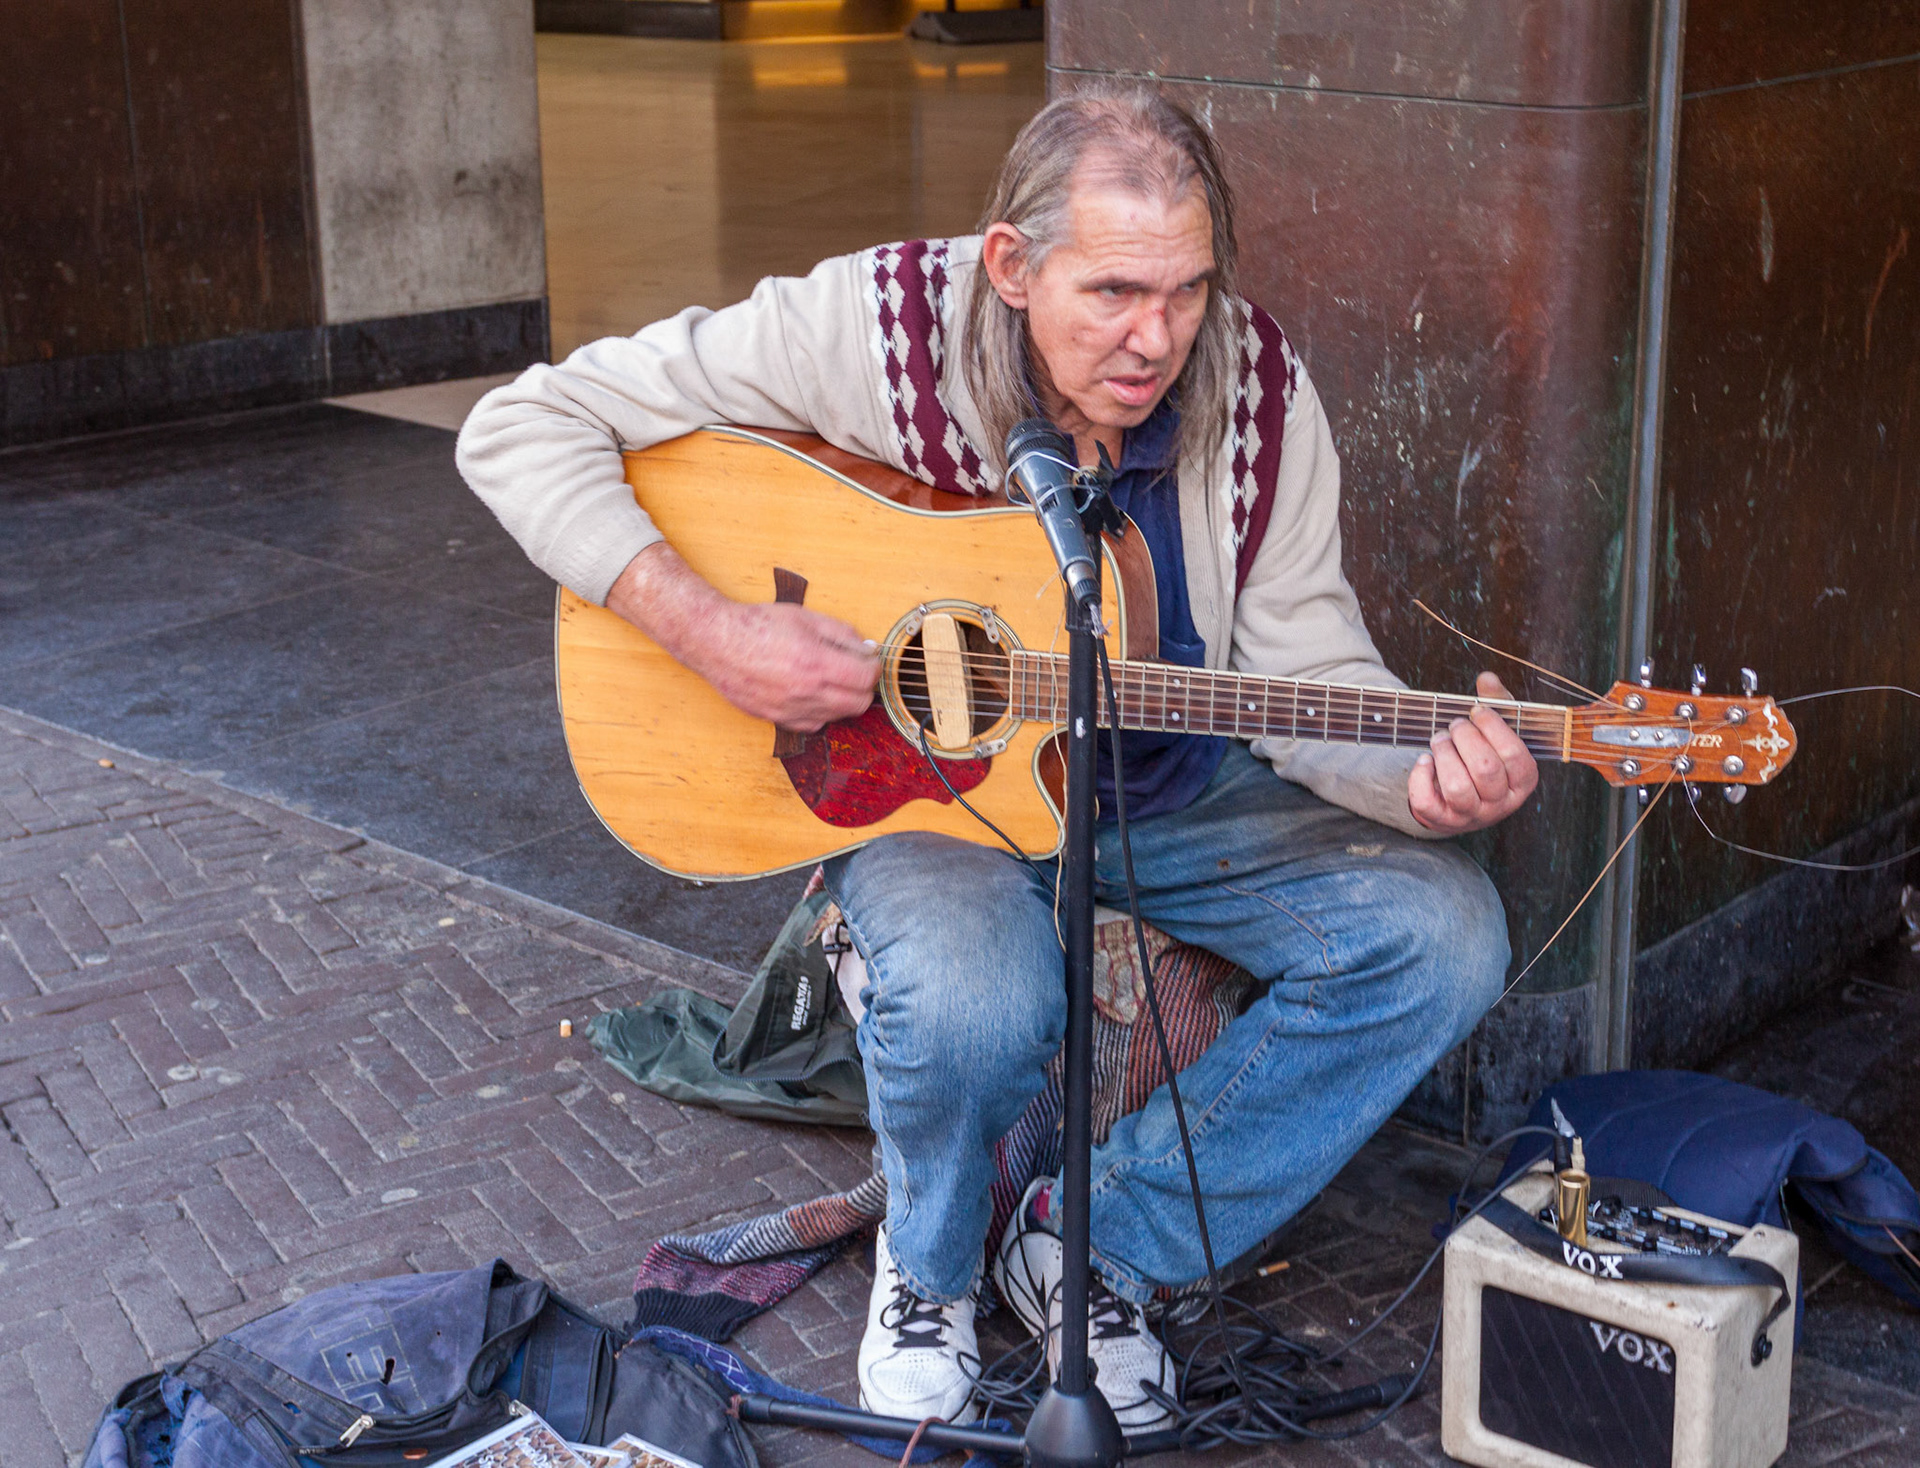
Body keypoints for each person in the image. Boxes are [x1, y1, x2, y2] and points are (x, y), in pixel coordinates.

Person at [458, 87, 1536, 1431]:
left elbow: (1309, 676)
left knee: (1447, 935)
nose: (1159, 339)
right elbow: (517, 426)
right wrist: (715, 630)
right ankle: (929, 1273)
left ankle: (1104, 1244)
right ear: (1013, 267)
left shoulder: (1252, 393)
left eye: (1191, 290)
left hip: (1170, 797)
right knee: (974, 999)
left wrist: (1419, 780)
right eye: (1117, 292)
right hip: (934, 805)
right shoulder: (869, 327)